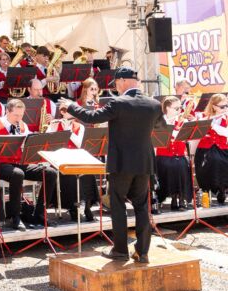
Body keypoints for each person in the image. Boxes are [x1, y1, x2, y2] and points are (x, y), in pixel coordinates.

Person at [59, 67, 165, 263]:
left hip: (122, 163)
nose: (115, 87)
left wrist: (71, 106)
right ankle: (143, 253)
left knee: (117, 205)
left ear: (123, 81)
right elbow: (160, 127)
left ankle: (120, 250)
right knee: (142, 207)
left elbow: (91, 117)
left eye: (116, 83)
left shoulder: (118, 103)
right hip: (144, 162)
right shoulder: (153, 104)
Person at [0, 99, 58, 229]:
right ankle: (15, 216)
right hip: (2, 165)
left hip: (20, 163)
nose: (19, 118)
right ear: (7, 111)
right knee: (17, 174)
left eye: (21, 115)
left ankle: (39, 213)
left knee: (50, 173)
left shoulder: (23, 125)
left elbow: (30, 146)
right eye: (16, 115)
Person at [47, 106, 96, 222]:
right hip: (59, 159)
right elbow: (47, 142)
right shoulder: (54, 125)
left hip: (76, 157)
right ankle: (73, 208)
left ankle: (88, 206)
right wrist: (52, 129)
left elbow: (79, 144)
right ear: (62, 113)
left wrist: (69, 130)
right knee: (70, 174)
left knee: (89, 172)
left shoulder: (80, 127)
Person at [156, 97, 192, 211]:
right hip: (163, 156)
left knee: (181, 165)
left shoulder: (183, 121)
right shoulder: (158, 121)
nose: (179, 110)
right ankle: (172, 196)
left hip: (179, 155)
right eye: (176, 108)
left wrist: (180, 127)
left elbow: (185, 138)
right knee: (169, 165)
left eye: (180, 108)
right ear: (167, 108)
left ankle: (180, 198)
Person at [195, 93, 228, 205]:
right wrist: (205, 121)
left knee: (219, 161)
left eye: (226, 106)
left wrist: (212, 124)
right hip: (206, 148)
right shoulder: (203, 116)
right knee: (210, 161)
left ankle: (222, 189)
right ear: (214, 106)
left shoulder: (226, 117)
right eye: (222, 106)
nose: (225, 108)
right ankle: (208, 189)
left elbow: (225, 133)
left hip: (223, 148)